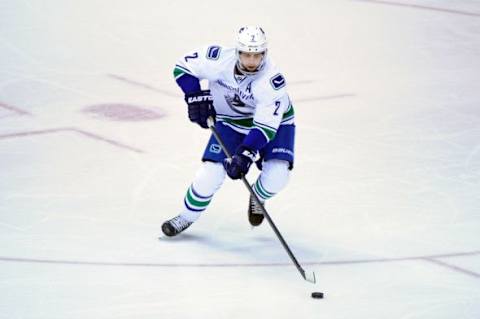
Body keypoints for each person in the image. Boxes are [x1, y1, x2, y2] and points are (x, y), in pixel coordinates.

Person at [162, 26, 295, 237]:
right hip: (230, 121)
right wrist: (194, 95)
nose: (251, 61)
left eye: (257, 55)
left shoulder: (271, 81)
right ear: (237, 52)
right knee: (209, 175)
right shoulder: (217, 59)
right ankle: (186, 217)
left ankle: (258, 197)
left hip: (274, 125)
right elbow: (182, 68)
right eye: (246, 55)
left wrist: (245, 153)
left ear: (264, 54)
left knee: (278, 176)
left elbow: (264, 128)